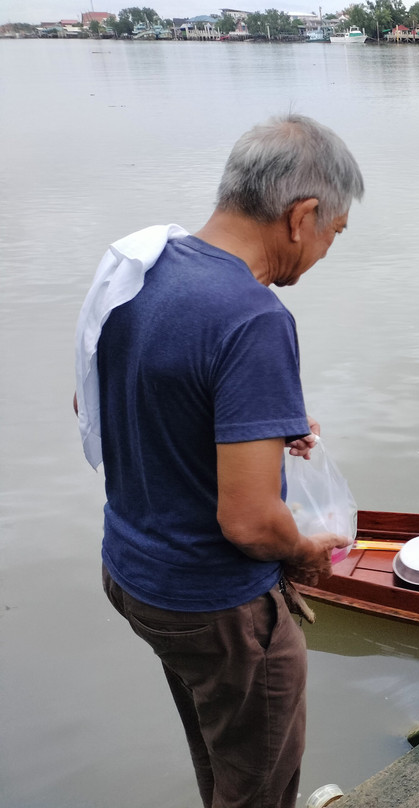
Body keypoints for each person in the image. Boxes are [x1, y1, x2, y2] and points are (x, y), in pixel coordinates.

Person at [73, 115, 364, 808]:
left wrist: (259, 425)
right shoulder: (252, 315)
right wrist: (302, 550)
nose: (325, 252)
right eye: (333, 234)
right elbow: (250, 521)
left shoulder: (141, 269)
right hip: (217, 602)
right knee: (259, 783)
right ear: (302, 216)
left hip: (136, 574)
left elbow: (98, 401)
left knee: (221, 755)